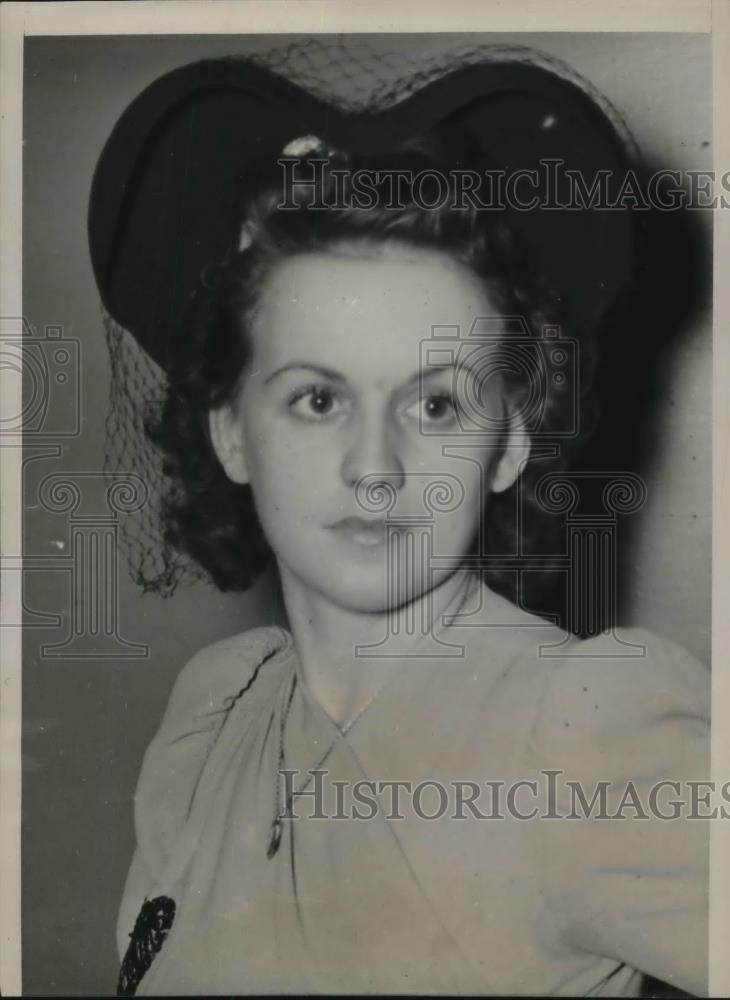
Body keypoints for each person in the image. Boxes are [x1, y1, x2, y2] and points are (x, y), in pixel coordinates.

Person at [88, 51, 710, 997]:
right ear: (230, 432)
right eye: (317, 400)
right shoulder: (213, 717)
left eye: (435, 407)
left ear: (507, 442)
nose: (373, 468)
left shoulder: (587, 728)